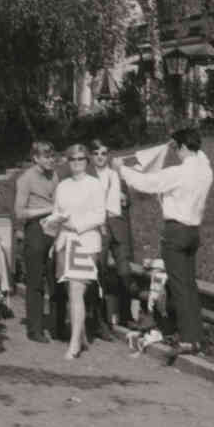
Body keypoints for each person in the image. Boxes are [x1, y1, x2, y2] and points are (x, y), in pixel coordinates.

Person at [114, 127, 213, 355]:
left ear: (184, 147)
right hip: (193, 232)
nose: (175, 152)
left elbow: (147, 183)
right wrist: (182, 142)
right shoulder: (205, 170)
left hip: (175, 232)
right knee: (189, 285)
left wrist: (122, 169)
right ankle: (196, 337)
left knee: (179, 286)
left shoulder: (178, 173)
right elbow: (201, 156)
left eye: (177, 148)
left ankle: (187, 339)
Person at [52, 143, 106, 360]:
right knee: (71, 292)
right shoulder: (62, 186)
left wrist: (77, 225)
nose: (76, 163)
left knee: (76, 290)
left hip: (86, 242)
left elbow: (100, 215)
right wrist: (55, 225)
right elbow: (57, 212)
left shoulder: (94, 185)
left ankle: (74, 343)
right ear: (68, 161)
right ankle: (81, 335)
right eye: (73, 159)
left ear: (87, 161)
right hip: (65, 241)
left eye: (81, 159)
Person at [14, 140, 60, 343]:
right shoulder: (26, 179)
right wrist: (48, 209)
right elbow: (19, 212)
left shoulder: (54, 175)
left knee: (55, 278)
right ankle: (35, 329)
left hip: (54, 228)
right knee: (35, 281)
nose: (51, 160)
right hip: (35, 230)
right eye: (46, 157)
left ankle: (58, 327)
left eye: (52, 156)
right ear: (36, 158)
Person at [89, 138, 131, 338]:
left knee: (125, 271)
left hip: (118, 227)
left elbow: (127, 202)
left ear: (108, 155)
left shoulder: (116, 175)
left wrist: (125, 200)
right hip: (99, 228)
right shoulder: (88, 177)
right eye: (96, 153)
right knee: (100, 272)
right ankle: (100, 321)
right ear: (91, 156)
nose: (100, 157)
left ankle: (126, 316)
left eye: (103, 153)